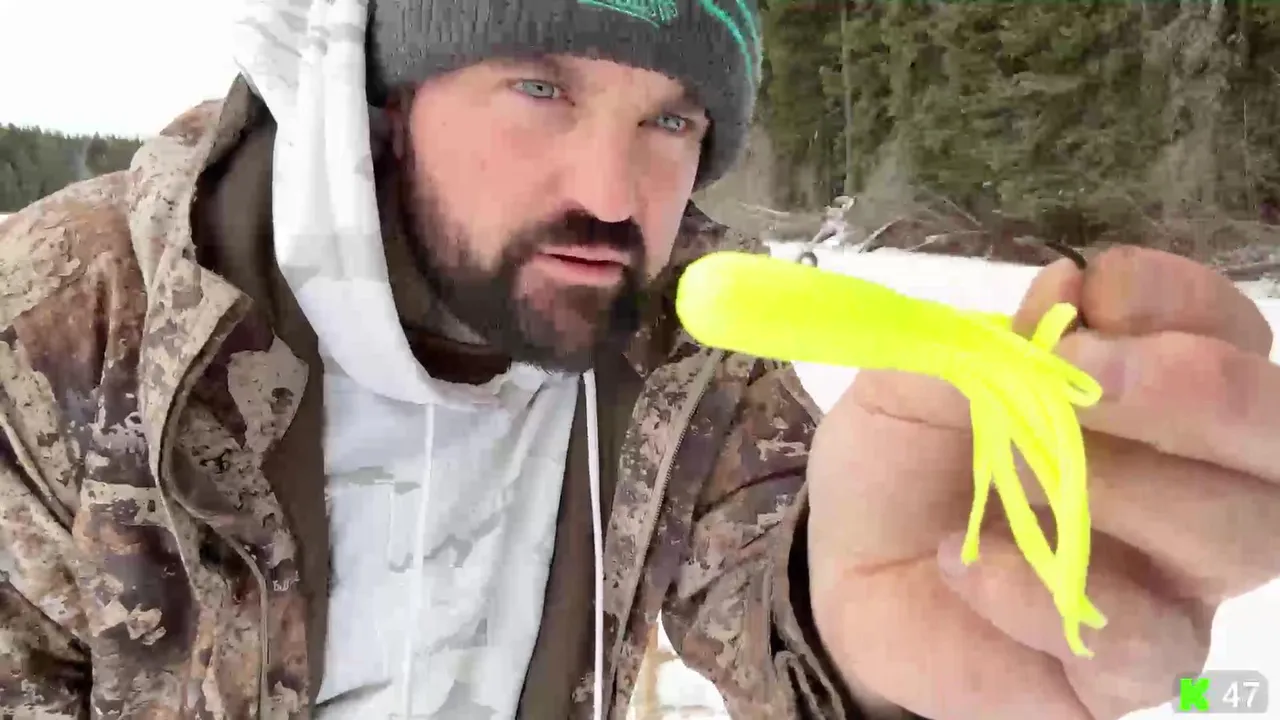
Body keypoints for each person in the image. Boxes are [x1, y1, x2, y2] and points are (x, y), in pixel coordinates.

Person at [1, 1, 1277, 719]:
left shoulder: (679, 337)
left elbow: (784, 585)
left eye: (669, 118)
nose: (612, 196)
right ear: (382, 98)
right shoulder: (64, 326)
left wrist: (883, 643)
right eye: (540, 89)